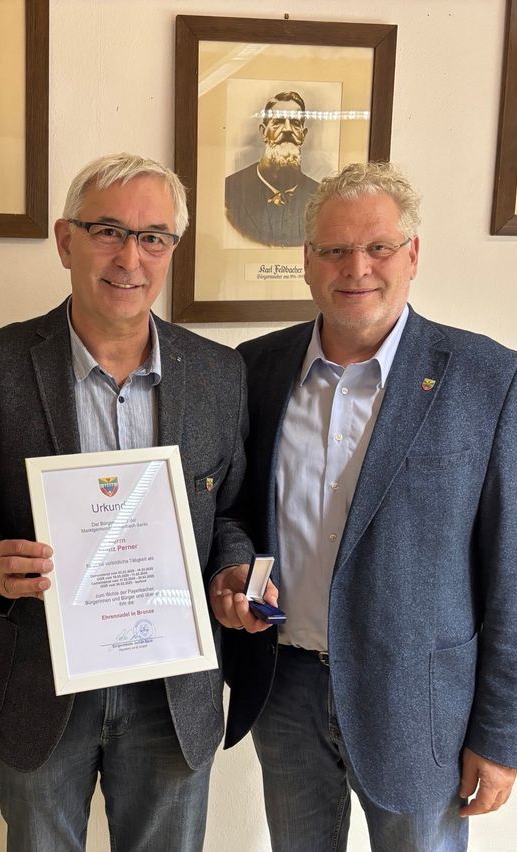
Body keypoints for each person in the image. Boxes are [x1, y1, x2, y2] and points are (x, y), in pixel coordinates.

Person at [0, 153, 261, 851]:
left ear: (172, 248)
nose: (130, 257)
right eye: (108, 230)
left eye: (153, 237)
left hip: (172, 692)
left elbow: (230, 511)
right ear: (65, 240)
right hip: (37, 687)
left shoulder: (219, 373)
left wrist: (231, 571)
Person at [220, 161, 517, 851]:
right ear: (306, 262)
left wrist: (500, 734)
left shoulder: (488, 380)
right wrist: (235, 571)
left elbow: (510, 569)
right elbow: (232, 510)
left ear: (413, 255)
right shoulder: (256, 367)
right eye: (334, 249)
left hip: (421, 704)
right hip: (284, 687)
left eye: (379, 247)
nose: (356, 267)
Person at [224, 90, 319, 246]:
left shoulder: (320, 196)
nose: (288, 129)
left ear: (304, 134)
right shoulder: (230, 190)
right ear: (263, 132)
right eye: (278, 122)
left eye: (295, 123)